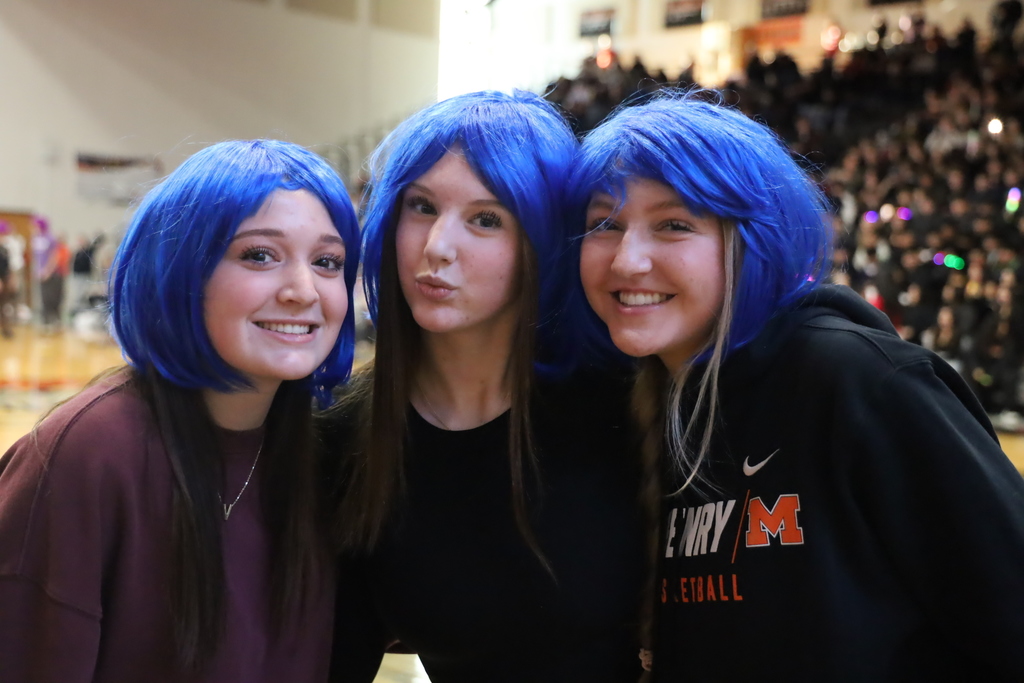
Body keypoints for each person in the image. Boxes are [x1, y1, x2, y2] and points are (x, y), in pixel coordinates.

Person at [572, 92, 1024, 682]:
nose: (627, 260)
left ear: (754, 238)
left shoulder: (861, 382)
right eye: (604, 224)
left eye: (674, 224)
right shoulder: (645, 400)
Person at [0, 139, 360, 682]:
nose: (303, 290)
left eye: (328, 262)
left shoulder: (323, 453)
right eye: (259, 255)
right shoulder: (86, 456)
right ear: (181, 271)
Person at [324, 90, 645, 682]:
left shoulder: (628, 405)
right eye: (421, 207)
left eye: (486, 219)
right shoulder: (346, 435)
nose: (437, 247)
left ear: (543, 241)